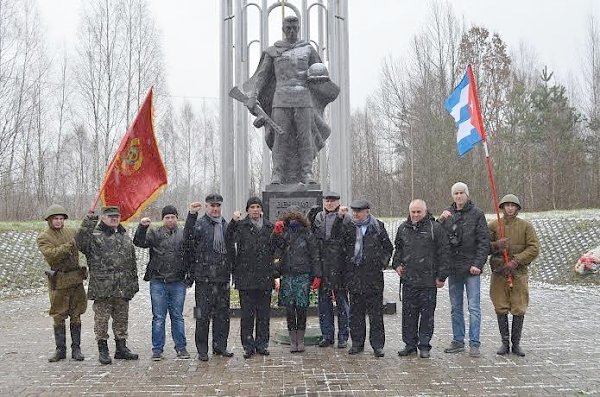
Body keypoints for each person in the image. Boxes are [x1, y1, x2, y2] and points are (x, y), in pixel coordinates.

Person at [241, 15, 339, 184]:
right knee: (280, 137)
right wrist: (254, 96)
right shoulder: (273, 51)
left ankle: (307, 173)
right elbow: (262, 76)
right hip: (280, 99)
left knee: (305, 137)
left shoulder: (308, 50)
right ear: (283, 29)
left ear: (299, 28)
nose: (292, 31)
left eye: (295, 28)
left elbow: (321, 74)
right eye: (288, 28)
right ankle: (277, 174)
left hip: (303, 99)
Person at [75, 206, 139, 365]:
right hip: (102, 287)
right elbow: (80, 242)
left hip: (122, 287)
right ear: (102, 217)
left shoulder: (124, 235)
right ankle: (103, 349)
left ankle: (121, 348)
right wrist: (89, 221)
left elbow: (131, 262)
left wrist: (133, 283)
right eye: (110, 216)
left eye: (117, 216)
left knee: (121, 320)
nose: (114, 218)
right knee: (101, 321)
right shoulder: (94, 236)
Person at [393, 199, 450, 358]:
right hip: (409, 280)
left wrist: (441, 277)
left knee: (427, 316)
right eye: (413, 212)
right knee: (408, 315)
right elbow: (398, 249)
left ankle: (424, 345)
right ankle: (409, 344)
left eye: (419, 212)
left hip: (428, 281)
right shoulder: (403, 228)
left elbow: (444, 254)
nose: (416, 215)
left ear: (425, 211)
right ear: (409, 212)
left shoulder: (435, 228)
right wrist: (396, 264)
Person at [438, 182, 490, 357]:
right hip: (454, 268)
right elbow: (439, 238)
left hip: (472, 268)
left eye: (461, 193)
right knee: (455, 307)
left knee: (474, 307)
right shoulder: (447, 213)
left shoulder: (477, 214)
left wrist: (478, 264)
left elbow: (484, 242)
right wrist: (441, 221)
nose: (459, 196)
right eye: (456, 193)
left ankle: (474, 342)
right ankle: (458, 340)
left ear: (467, 194)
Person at [133, 205, 191, 361]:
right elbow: (139, 242)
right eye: (167, 217)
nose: (170, 220)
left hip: (178, 281)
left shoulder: (183, 234)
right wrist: (142, 227)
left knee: (177, 316)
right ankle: (157, 350)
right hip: (158, 281)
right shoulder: (155, 233)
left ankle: (181, 347)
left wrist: (188, 276)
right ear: (163, 219)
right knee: (158, 317)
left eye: (173, 217)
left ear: (177, 218)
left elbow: (190, 254)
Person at [488, 194, 539, 357]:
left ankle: (516, 344)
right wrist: (496, 245)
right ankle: (504, 343)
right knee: (500, 306)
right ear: (502, 207)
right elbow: (484, 246)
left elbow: (533, 248)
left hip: (519, 273)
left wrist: (516, 262)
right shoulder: (494, 225)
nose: (510, 208)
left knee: (519, 307)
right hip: (499, 274)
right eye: (507, 205)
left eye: (513, 205)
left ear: (517, 208)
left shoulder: (526, 227)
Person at [183, 193, 233, 361]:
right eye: (212, 205)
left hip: (222, 279)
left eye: (218, 205)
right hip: (204, 280)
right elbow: (187, 239)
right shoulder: (199, 224)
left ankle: (220, 346)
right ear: (206, 206)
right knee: (201, 316)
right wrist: (191, 215)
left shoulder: (225, 225)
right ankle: (202, 349)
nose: (215, 208)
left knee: (222, 316)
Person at [37, 204, 88, 362]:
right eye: (55, 219)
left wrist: (89, 222)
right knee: (58, 315)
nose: (58, 221)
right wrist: (69, 245)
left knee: (76, 314)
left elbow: (84, 240)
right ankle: (60, 350)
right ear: (49, 220)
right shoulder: (44, 237)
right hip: (58, 281)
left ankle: (76, 349)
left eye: (61, 218)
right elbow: (52, 255)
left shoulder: (71, 232)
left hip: (75, 279)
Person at [226, 197, 275, 359]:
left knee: (263, 315)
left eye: (257, 207)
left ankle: (262, 344)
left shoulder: (269, 227)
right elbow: (228, 239)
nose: (255, 210)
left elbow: (277, 248)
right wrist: (233, 221)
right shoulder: (241, 226)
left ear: (261, 209)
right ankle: (248, 345)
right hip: (246, 278)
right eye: (252, 207)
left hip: (264, 277)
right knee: (247, 316)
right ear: (247, 210)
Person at [344, 199, 393, 358]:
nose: (355, 214)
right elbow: (342, 246)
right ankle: (357, 343)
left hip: (373, 277)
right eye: (354, 211)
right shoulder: (349, 226)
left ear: (367, 212)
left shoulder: (377, 226)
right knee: (356, 313)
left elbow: (388, 248)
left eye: (358, 211)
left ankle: (378, 345)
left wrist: (382, 263)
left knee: (376, 314)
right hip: (355, 276)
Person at [271, 205, 321, 353]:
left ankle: (300, 339)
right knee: (290, 309)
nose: (293, 220)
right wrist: (276, 233)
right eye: (290, 218)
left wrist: (317, 275)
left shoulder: (307, 234)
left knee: (302, 309)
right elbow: (274, 249)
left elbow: (314, 255)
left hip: (303, 275)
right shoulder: (283, 232)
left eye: (295, 217)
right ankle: (293, 340)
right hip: (288, 275)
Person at [312, 192, 351, 349]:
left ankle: (343, 335)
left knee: (342, 302)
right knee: (324, 303)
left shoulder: (346, 218)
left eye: (332, 201)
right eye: (327, 201)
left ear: (338, 202)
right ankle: (327, 335)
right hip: (323, 266)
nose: (329, 203)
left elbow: (346, 240)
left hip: (340, 266)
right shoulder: (318, 218)